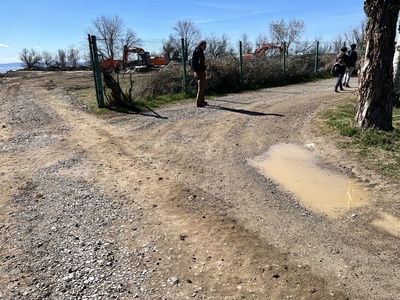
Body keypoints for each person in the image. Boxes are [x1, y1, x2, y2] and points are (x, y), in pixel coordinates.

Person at [191, 40, 207, 107]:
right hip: (200, 71)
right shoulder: (199, 52)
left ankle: (202, 101)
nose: (205, 47)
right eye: (203, 45)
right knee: (200, 88)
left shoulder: (196, 51)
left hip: (196, 71)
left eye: (205, 45)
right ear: (200, 45)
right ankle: (198, 103)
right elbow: (200, 62)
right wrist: (203, 67)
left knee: (202, 87)